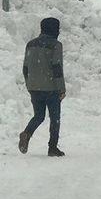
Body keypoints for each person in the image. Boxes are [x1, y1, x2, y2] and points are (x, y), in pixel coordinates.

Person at [19, 18, 66, 157]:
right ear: (55, 29)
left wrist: (29, 84)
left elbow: (25, 68)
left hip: (34, 87)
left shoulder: (30, 44)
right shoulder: (56, 45)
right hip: (51, 87)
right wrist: (61, 88)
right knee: (55, 118)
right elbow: (57, 68)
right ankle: (52, 148)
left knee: (39, 116)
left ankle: (27, 133)